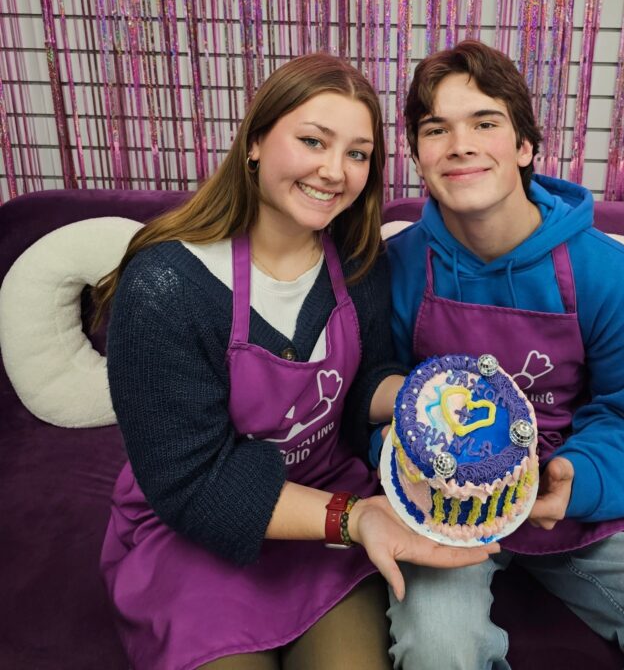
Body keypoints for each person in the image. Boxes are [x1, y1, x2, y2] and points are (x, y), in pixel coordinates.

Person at [97, 53, 497, 670]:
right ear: (256, 142)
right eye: (313, 141)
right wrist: (355, 519)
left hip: (328, 510)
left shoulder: (359, 263)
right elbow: (193, 482)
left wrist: (421, 396)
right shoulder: (164, 287)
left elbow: (364, 382)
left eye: (358, 153)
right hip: (200, 533)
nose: (334, 171)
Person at [382, 40, 624, 670]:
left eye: (485, 123)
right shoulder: (396, 268)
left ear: (524, 146)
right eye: (436, 129)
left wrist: (576, 479)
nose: (460, 144)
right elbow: (374, 395)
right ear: (418, 157)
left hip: (569, 494)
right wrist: (410, 468)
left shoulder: (603, 272)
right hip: (444, 507)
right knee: (438, 648)